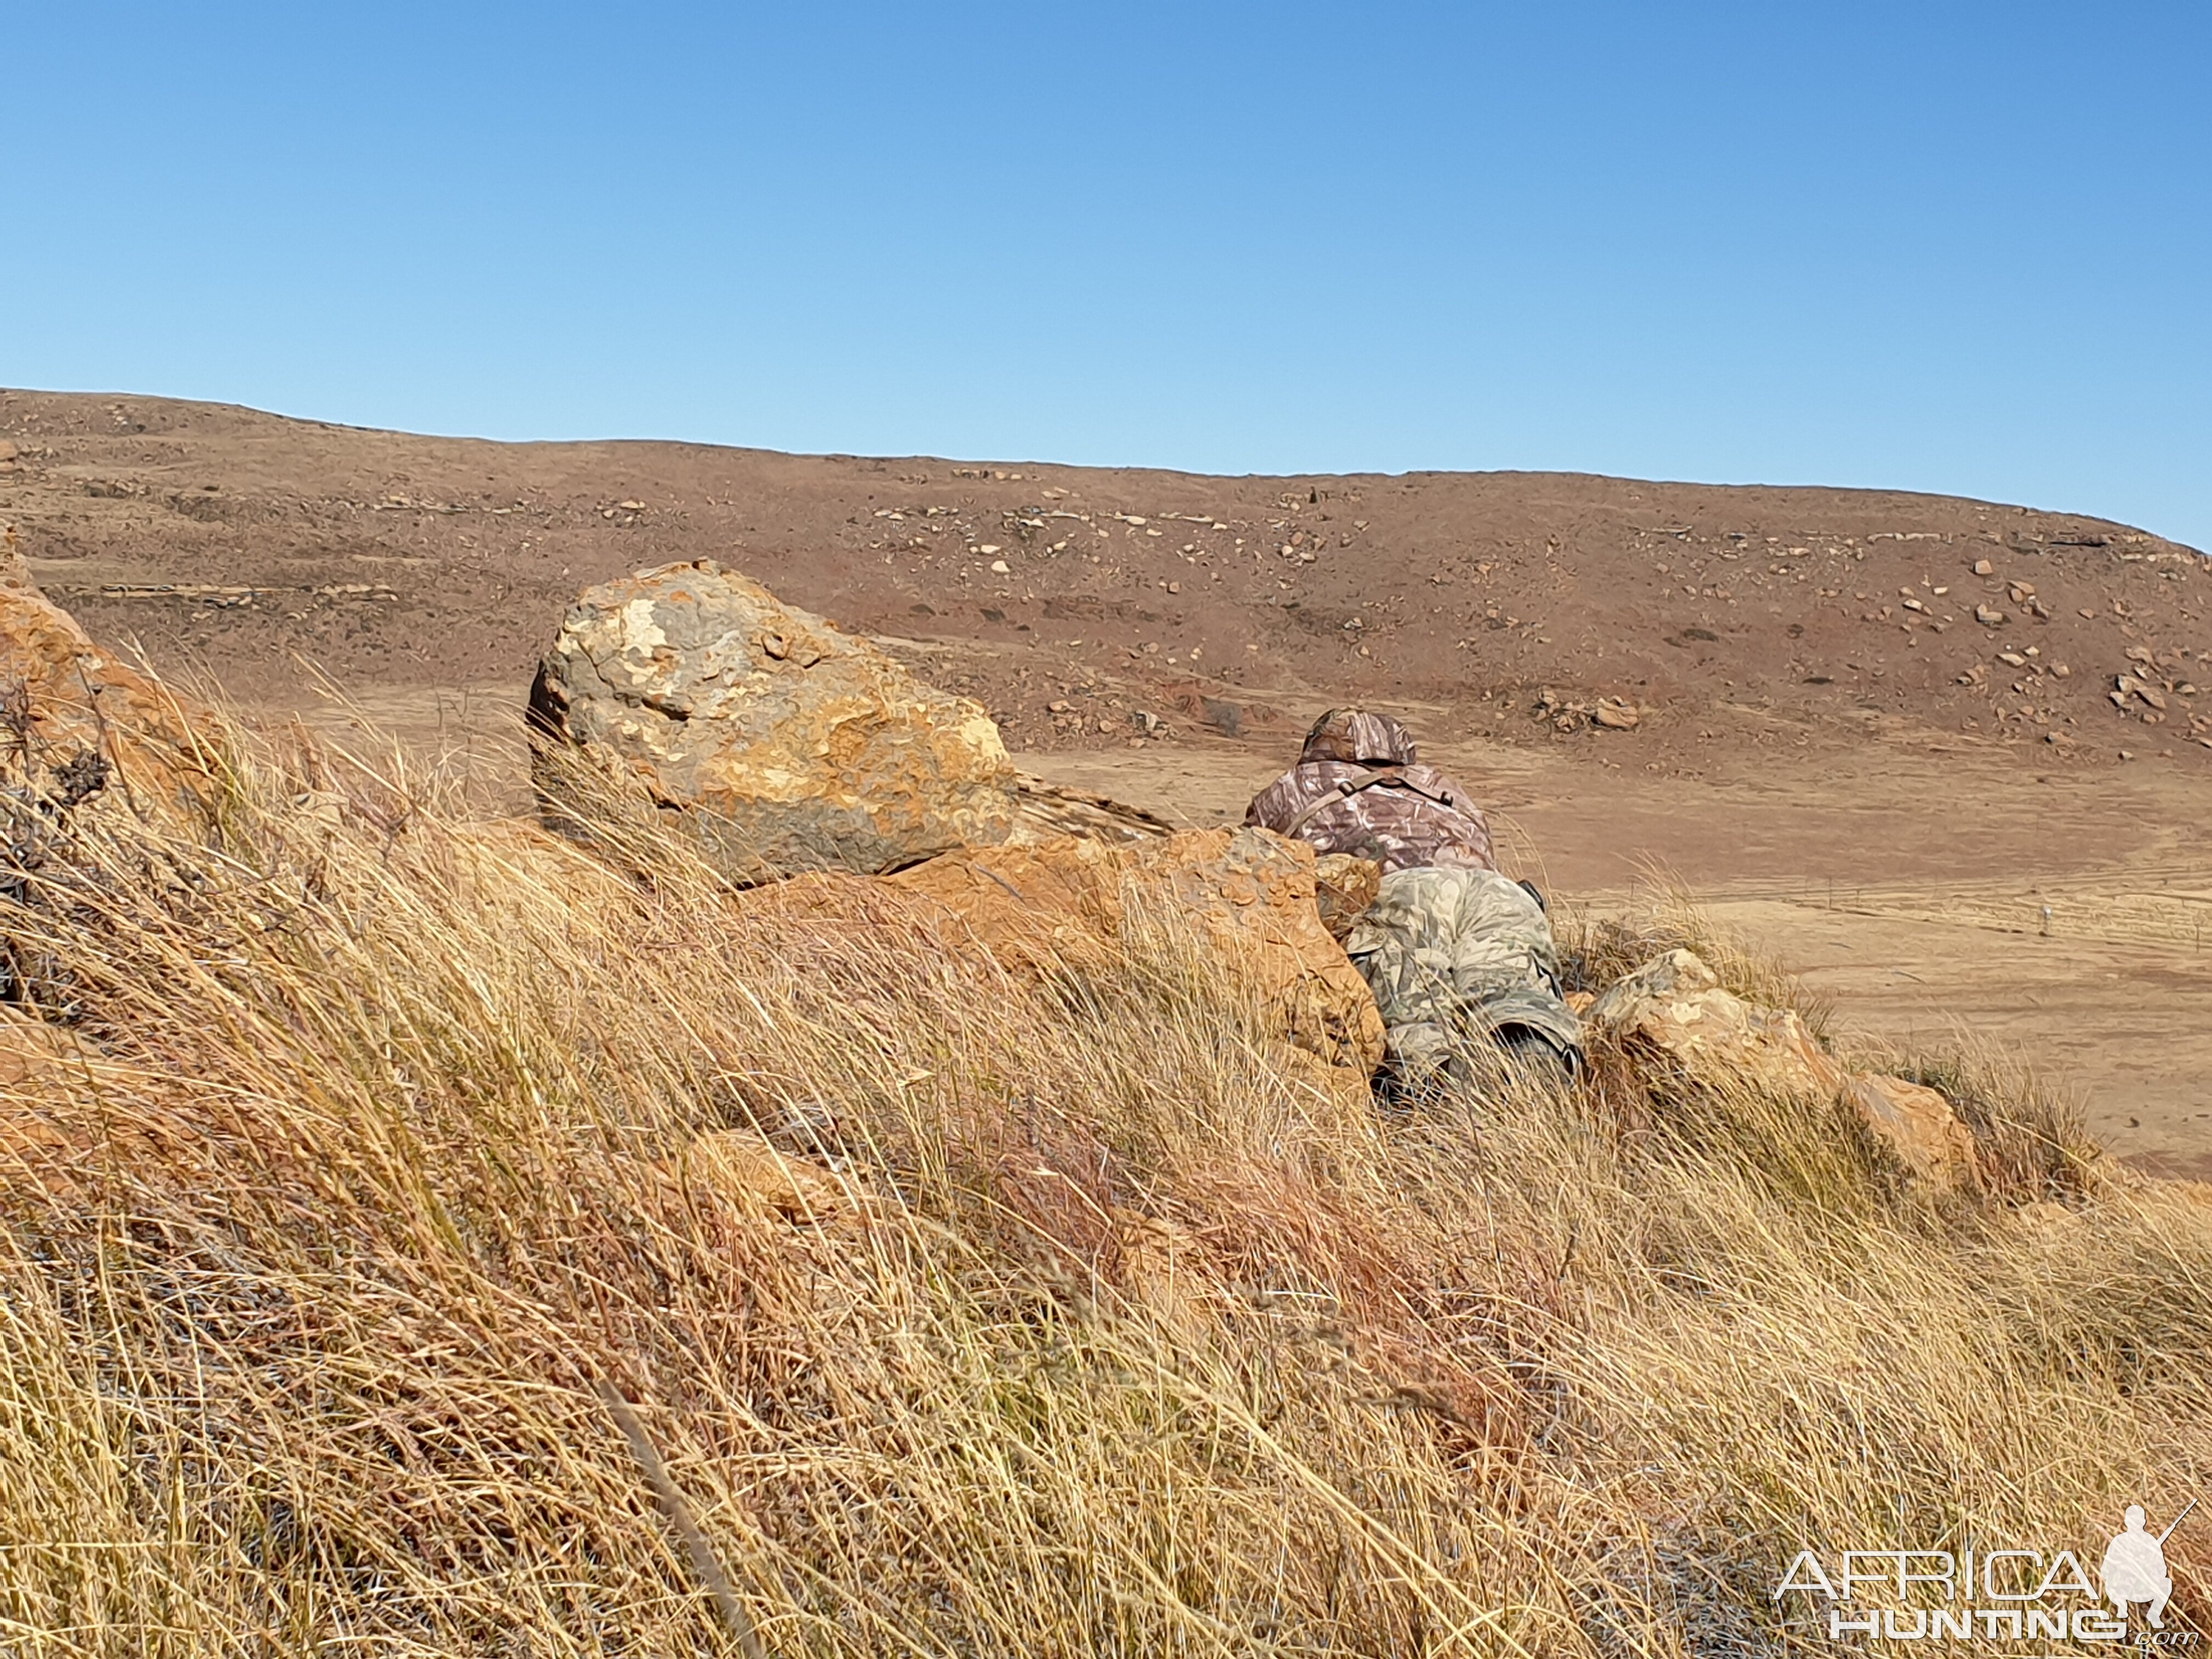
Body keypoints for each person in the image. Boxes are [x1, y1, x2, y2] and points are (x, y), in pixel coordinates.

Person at [1245, 707, 1583, 1087]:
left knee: (1419, 1029)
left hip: (1400, 896)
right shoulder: (1444, 785)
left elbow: (1250, 872)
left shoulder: (1296, 785)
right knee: (1514, 1002)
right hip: (1497, 894)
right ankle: (1532, 1067)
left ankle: (1443, 1107)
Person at [2101, 1505, 2174, 1629]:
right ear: (2126, 1522)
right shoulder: (2119, 1541)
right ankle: (2122, 1607)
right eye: (2132, 1521)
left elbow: (2162, 1570)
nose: (2135, 1525)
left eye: (2138, 1521)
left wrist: (2148, 1568)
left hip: (2144, 1588)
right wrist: (2124, 1568)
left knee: (2167, 1584)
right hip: (2123, 1588)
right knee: (2112, 1583)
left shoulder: (2151, 1541)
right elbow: (2106, 1569)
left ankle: (2154, 1614)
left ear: (2144, 1522)